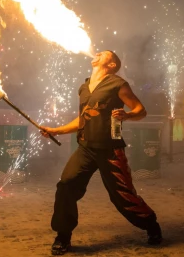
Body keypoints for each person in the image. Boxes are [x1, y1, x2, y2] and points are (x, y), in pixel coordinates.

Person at [40, 50, 162, 256]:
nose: (97, 53)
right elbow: (83, 119)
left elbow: (141, 110)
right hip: (86, 148)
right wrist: (56, 130)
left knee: (123, 196)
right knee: (66, 185)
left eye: (103, 54)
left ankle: (151, 224)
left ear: (112, 64)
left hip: (110, 149)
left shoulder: (118, 84)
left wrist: (127, 115)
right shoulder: (84, 87)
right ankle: (63, 235)